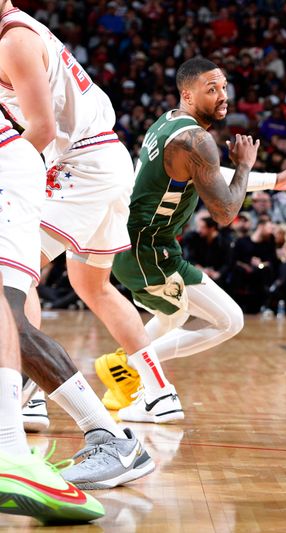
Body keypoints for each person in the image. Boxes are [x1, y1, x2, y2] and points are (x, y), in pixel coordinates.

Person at [104, 57, 286, 422]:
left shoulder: (170, 123)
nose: (223, 96)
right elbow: (225, 211)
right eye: (211, 89)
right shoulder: (195, 139)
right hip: (145, 249)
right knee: (208, 317)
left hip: (151, 245)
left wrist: (274, 179)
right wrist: (248, 164)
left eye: (224, 87)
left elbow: (212, 176)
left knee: (192, 316)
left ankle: (126, 368)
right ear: (188, 94)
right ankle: (140, 385)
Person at [0, 0, 155, 488]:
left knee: (10, 297)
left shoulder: (13, 41)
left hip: (79, 166)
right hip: (99, 160)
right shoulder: (16, 32)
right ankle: (139, 403)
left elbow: (42, 131)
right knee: (93, 287)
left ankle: (34, 406)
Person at [0, 112, 104, 521]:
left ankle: (9, 449)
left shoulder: (20, 45)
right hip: (23, 166)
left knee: (8, 308)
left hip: (12, 169)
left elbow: (42, 124)